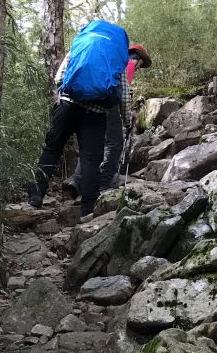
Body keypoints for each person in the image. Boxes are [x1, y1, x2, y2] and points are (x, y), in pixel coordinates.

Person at [27, 20, 133, 217]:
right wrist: (128, 121)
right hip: (95, 113)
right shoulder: (116, 56)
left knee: (52, 149)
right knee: (91, 160)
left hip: (67, 106)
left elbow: (60, 77)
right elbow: (124, 95)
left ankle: (35, 196)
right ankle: (87, 211)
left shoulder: (81, 45)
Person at [62, 43, 152, 198]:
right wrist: (127, 114)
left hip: (88, 101)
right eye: (141, 65)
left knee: (92, 144)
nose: (138, 68)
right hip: (108, 104)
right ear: (139, 58)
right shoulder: (130, 62)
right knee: (114, 141)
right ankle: (104, 181)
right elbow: (122, 91)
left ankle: (76, 181)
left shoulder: (110, 57)